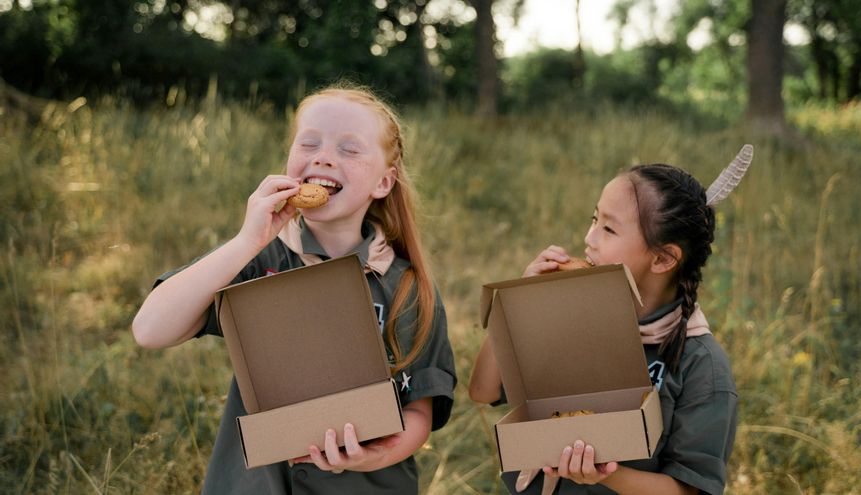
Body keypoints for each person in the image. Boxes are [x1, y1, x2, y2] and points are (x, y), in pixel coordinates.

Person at [132, 85, 456, 495]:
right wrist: (246, 241)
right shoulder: (256, 259)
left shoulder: (409, 288)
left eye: (349, 149)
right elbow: (149, 329)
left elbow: (419, 413)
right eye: (309, 142)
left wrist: (372, 455)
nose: (323, 156)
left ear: (384, 182)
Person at [469, 147, 752, 495]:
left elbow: (688, 489)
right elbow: (483, 391)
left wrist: (603, 474)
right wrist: (518, 302)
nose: (589, 239)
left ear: (663, 258)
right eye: (593, 219)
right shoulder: (566, 314)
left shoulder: (702, 367)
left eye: (609, 229)